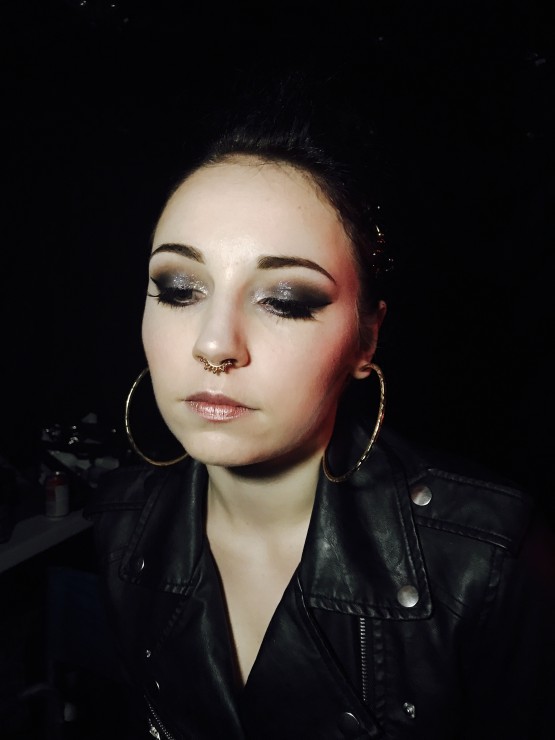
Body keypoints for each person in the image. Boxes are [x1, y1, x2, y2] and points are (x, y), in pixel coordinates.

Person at [85, 76, 555, 739]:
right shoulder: (121, 528)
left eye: (285, 300)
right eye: (179, 287)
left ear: (366, 339)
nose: (214, 344)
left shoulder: (487, 562)